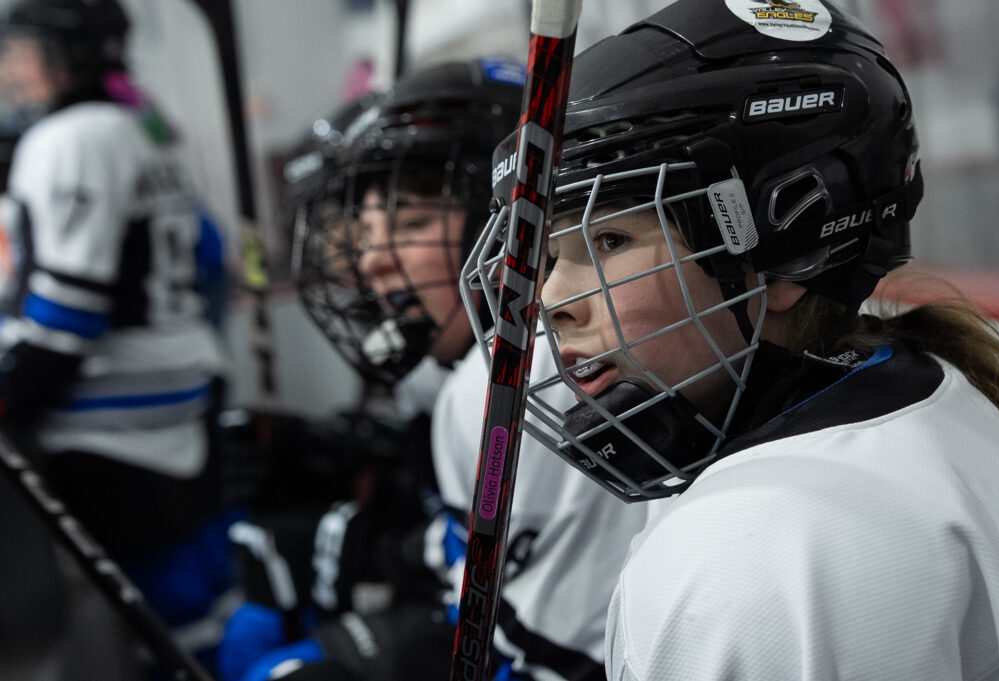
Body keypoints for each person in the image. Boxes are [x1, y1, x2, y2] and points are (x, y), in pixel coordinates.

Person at [462, 1, 999, 679]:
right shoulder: (933, 388)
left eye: (609, 240)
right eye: (552, 254)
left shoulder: (752, 555)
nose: (549, 300)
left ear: (787, 256)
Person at [228, 56, 650, 681]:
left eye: (412, 223)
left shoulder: (512, 375)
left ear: (505, 225)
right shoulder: (473, 371)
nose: (370, 263)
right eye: (365, 232)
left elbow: (537, 650)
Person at [0, 0, 232, 675]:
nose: (13, 68)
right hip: (181, 388)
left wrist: (14, 388)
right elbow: (210, 252)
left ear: (75, 53)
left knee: (153, 608)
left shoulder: (70, 138)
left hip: (118, 421)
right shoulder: (143, 121)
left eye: (27, 50)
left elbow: (66, 317)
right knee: (201, 589)